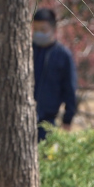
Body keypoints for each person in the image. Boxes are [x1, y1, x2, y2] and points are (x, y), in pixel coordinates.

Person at [32, 8, 78, 141]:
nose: (38, 33)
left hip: (48, 123)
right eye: (35, 29)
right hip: (23, 119)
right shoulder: (27, 50)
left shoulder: (62, 55)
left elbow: (70, 90)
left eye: (43, 29)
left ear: (54, 30)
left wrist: (67, 119)